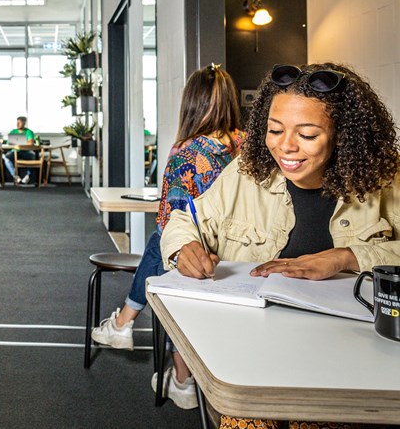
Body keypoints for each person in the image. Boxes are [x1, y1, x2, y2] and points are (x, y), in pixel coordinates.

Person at [161, 63, 400, 429]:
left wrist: (347, 257)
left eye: (306, 134)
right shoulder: (246, 173)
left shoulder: (385, 181)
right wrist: (184, 248)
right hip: (255, 353)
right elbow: (184, 221)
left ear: (344, 135)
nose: (285, 146)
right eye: (275, 130)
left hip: (352, 360)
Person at [91, 63, 244, 410]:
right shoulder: (244, 144)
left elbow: (171, 221)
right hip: (237, 254)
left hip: (198, 255)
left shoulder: (187, 152)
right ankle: (174, 374)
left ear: (191, 103)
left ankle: (130, 326)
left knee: (162, 251)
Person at [2, 115, 37, 184]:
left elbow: (30, 143)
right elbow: (9, 142)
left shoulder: (29, 132)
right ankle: (15, 176)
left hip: (26, 152)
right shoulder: (13, 131)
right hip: (14, 151)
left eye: (19, 122)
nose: (17, 124)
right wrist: (23, 142)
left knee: (33, 156)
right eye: (17, 122)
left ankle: (27, 176)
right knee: (6, 157)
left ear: (24, 123)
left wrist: (18, 142)